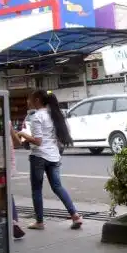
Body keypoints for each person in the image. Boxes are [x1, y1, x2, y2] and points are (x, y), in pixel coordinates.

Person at [17, 90, 82, 231]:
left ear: (38, 100)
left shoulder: (36, 117)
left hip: (39, 156)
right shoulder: (53, 115)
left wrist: (22, 134)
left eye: (30, 98)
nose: (28, 101)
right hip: (53, 156)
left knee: (36, 189)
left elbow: (38, 141)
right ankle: (75, 215)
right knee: (58, 187)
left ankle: (39, 222)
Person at [8, 122, 25, 239]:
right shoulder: (6, 120)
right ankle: (14, 221)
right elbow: (17, 142)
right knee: (6, 190)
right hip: (5, 159)